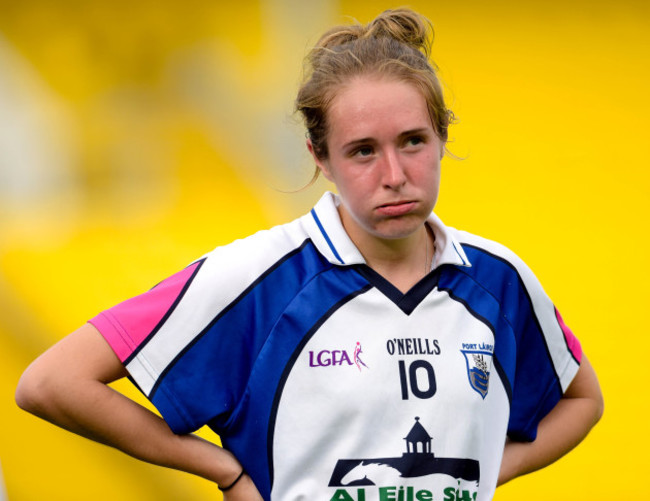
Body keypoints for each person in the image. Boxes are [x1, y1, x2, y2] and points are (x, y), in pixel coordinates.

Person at [15, 8, 603, 501]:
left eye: (414, 142)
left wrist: (481, 472)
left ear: (444, 137)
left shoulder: (499, 279)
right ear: (320, 159)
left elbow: (583, 400)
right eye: (363, 151)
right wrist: (223, 470)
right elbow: (51, 383)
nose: (394, 175)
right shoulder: (255, 276)